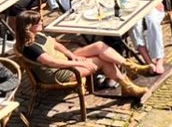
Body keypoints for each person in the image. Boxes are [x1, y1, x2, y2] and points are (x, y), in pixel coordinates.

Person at [13, 10, 148, 104]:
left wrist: (73, 56)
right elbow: (52, 63)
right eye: (38, 22)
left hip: (64, 60)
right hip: (59, 72)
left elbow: (56, 44)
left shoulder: (38, 35)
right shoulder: (30, 47)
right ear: (29, 27)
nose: (42, 22)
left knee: (99, 46)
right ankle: (128, 86)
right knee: (102, 60)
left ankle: (130, 67)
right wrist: (79, 64)